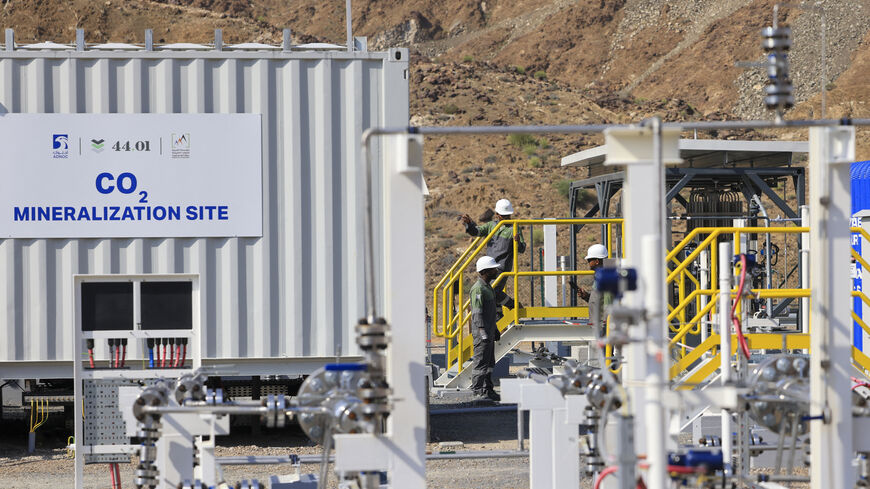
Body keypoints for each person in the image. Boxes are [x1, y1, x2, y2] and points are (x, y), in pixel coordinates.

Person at [460, 198, 526, 312]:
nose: (506, 218)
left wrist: (518, 242)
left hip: (501, 267)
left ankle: (513, 306)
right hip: (488, 266)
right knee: (486, 292)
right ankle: (498, 317)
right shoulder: (491, 226)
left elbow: (522, 249)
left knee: (493, 291)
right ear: (497, 215)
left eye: (507, 215)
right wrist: (469, 224)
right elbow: (477, 231)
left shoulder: (513, 228)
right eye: (503, 215)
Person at [469, 256, 502, 402]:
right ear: (486, 271)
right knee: (480, 363)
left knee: (489, 364)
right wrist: (482, 332)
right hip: (482, 334)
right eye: (494, 268)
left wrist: (494, 329)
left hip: (488, 332)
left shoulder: (487, 288)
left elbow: (490, 313)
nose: (496, 270)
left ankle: (487, 390)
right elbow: (477, 313)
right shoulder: (478, 288)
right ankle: (477, 392)